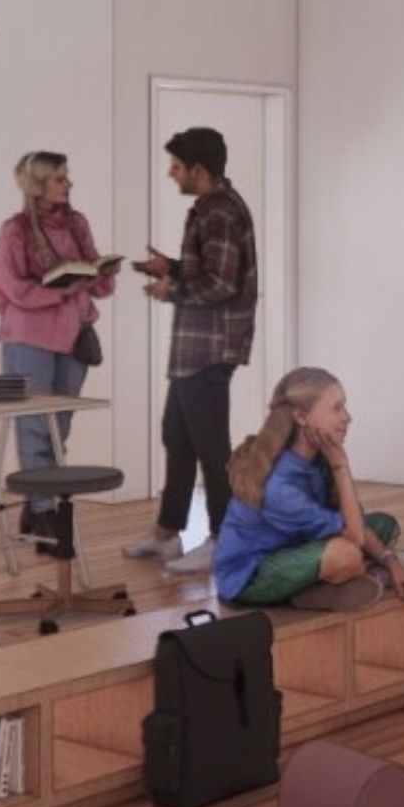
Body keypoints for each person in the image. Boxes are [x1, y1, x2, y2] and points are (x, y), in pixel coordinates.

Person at [127, 127, 259, 578]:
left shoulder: (219, 212)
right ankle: (167, 533)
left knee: (209, 447)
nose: (171, 173)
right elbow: (216, 269)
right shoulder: (210, 209)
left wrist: (172, 288)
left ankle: (223, 539)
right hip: (193, 348)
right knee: (177, 439)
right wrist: (174, 266)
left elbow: (222, 284)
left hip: (208, 348)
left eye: (177, 167)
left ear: (199, 170)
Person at [212, 367, 404, 611]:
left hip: (297, 547)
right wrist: (341, 466)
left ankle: (318, 587)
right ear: (301, 416)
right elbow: (355, 536)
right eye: (336, 408)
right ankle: (339, 577)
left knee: (385, 523)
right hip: (251, 576)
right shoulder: (279, 485)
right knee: (348, 553)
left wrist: (391, 562)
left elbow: (355, 522)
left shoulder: (318, 459)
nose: (347, 417)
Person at [0, 151, 115, 527]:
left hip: (73, 337)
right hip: (29, 339)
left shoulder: (78, 223)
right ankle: (43, 510)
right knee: (33, 426)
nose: (69, 184)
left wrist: (100, 275)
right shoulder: (15, 230)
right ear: (38, 185)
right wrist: (61, 291)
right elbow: (12, 288)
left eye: (67, 177)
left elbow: (98, 280)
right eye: (60, 178)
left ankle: (43, 503)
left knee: (60, 426)